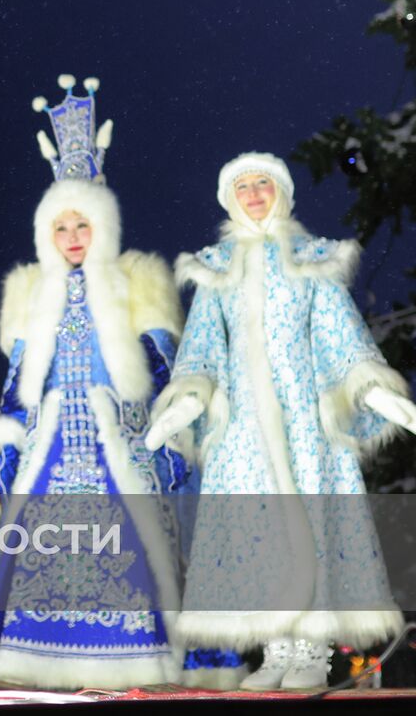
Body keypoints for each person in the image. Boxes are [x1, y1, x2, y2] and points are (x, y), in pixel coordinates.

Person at [145, 152, 416, 691]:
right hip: (243, 431)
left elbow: (341, 337)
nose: (252, 194)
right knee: (259, 532)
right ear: (229, 199)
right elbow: (202, 349)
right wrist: (187, 400)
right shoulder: (216, 267)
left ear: (282, 192)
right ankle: (276, 650)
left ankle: (310, 652)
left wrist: (379, 393)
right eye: (240, 186)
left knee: (311, 528)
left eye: (261, 183)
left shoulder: (311, 260)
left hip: (305, 424)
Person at [0, 77, 191, 690]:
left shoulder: (139, 280)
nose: (72, 239)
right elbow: (17, 381)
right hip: (53, 440)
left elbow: (164, 370)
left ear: (104, 227)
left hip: (122, 437)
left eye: (82, 226)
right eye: (60, 229)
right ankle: (48, 663)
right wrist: (12, 441)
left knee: (131, 550)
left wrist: (164, 435)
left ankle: (133, 662)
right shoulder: (30, 291)